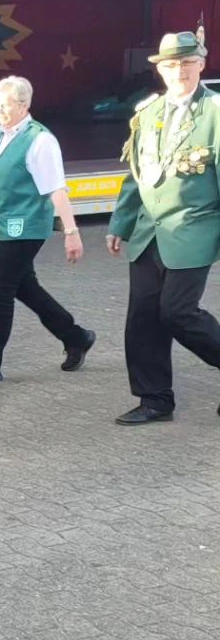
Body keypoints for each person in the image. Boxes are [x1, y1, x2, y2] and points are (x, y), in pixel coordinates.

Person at [106, 26, 220, 424]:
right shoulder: (148, 113)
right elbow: (135, 175)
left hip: (194, 228)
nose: (180, 71)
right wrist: (119, 223)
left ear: (202, 64)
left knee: (177, 312)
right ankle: (154, 399)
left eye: (187, 62)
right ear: (160, 69)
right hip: (148, 231)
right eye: (171, 65)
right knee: (142, 317)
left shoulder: (215, 112)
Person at [0, 76, 94, 384]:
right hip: (3, 225)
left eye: (5, 105)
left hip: (27, 226)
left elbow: (56, 189)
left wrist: (71, 232)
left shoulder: (40, 140)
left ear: (24, 104)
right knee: (24, 287)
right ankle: (76, 336)